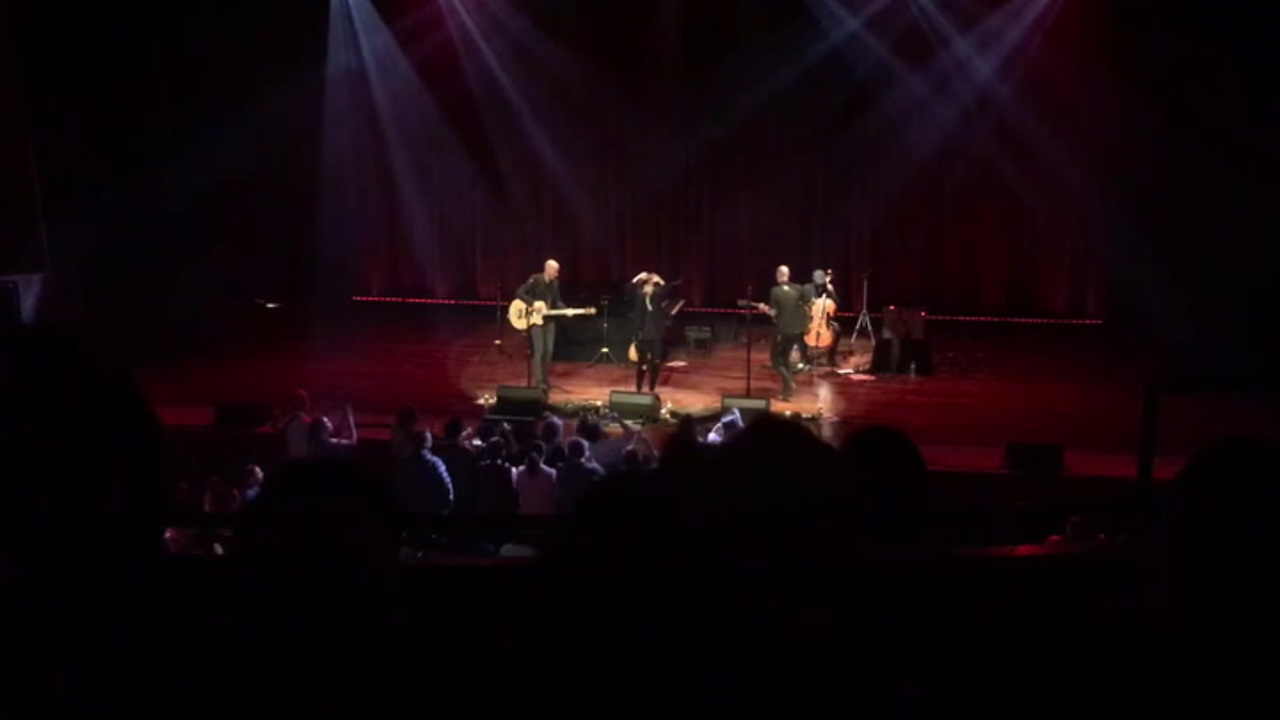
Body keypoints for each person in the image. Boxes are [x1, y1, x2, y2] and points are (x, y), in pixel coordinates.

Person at [515, 259, 565, 393]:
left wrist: (566, 310)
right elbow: (519, 293)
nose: (557, 274)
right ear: (548, 269)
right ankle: (538, 381)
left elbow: (557, 301)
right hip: (535, 320)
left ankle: (544, 379)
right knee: (539, 351)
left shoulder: (555, 283)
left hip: (549, 321)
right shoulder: (535, 279)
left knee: (548, 352)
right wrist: (532, 303)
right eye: (555, 271)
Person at [766, 265, 810, 401]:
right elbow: (808, 304)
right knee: (785, 359)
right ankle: (787, 393)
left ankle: (789, 383)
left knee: (775, 360)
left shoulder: (775, 291)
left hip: (783, 330)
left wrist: (764, 309)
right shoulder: (798, 288)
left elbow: (774, 312)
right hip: (797, 330)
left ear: (778, 274)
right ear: (788, 275)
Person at [629, 271, 673, 393]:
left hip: (656, 336)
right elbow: (629, 288)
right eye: (646, 286)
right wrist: (638, 276)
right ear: (643, 288)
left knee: (655, 363)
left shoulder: (656, 298)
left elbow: (667, 290)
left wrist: (659, 279)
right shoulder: (639, 298)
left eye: (651, 286)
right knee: (642, 363)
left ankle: (651, 388)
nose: (649, 287)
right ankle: (639, 387)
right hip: (642, 335)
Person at [801, 269, 842, 369]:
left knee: (838, 329)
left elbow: (837, 304)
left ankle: (831, 358)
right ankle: (804, 358)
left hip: (824, 320)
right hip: (808, 319)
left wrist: (831, 292)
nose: (820, 286)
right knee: (800, 329)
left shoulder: (828, 288)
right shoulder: (806, 288)